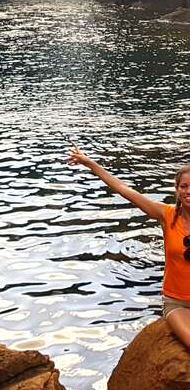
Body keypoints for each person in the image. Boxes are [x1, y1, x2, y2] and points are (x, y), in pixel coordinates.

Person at [68, 144, 190, 348]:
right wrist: (90, 164)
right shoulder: (167, 215)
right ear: (176, 189)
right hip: (176, 302)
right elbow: (125, 190)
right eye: (184, 186)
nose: (188, 191)